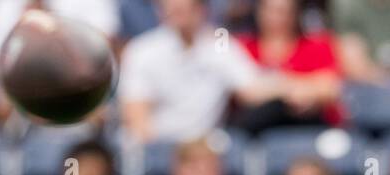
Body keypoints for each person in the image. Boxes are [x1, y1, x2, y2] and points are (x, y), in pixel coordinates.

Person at [119, 0, 298, 143]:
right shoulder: (141, 50)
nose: (180, 9)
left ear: (202, 8)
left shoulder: (219, 45)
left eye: (188, 5)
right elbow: (137, 121)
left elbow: (252, 89)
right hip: (157, 148)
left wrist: (309, 86)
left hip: (204, 150)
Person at [232, 0, 345, 132]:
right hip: (256, 131)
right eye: (270, 10)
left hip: (309, 127)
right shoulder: (240, 47)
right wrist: (293, 87)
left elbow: (330, 88)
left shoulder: (317, 45)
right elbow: (244, 92)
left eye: (283, 12)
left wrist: (272, 86)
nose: (275, 18)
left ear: (296, 14)